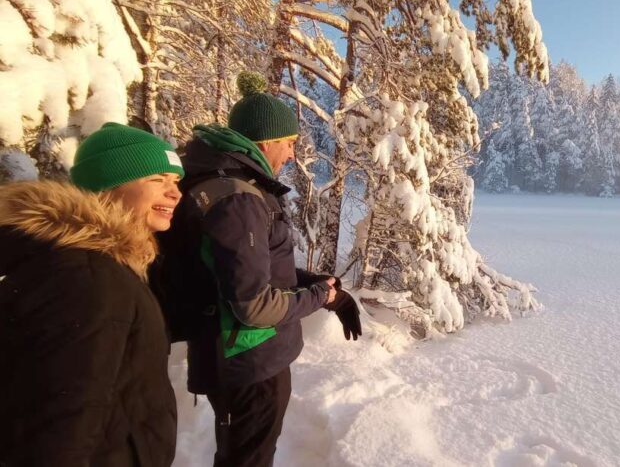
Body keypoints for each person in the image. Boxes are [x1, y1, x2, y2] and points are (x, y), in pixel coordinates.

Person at [156, 71, 360, 467]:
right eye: (288, 143)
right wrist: (321, 296)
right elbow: (252, 303)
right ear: (264, 141)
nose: (290, 154)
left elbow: (244, 269)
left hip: (245, 360)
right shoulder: (238, 199)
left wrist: (318, 286)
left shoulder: (229, 185)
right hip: (246, 364)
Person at [0, 122, 183, 466]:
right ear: (108, 187)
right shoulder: (89, 276)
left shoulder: (101, 265)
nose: (175, 193)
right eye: (157, 179)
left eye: (175, 181)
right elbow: (61, 419)